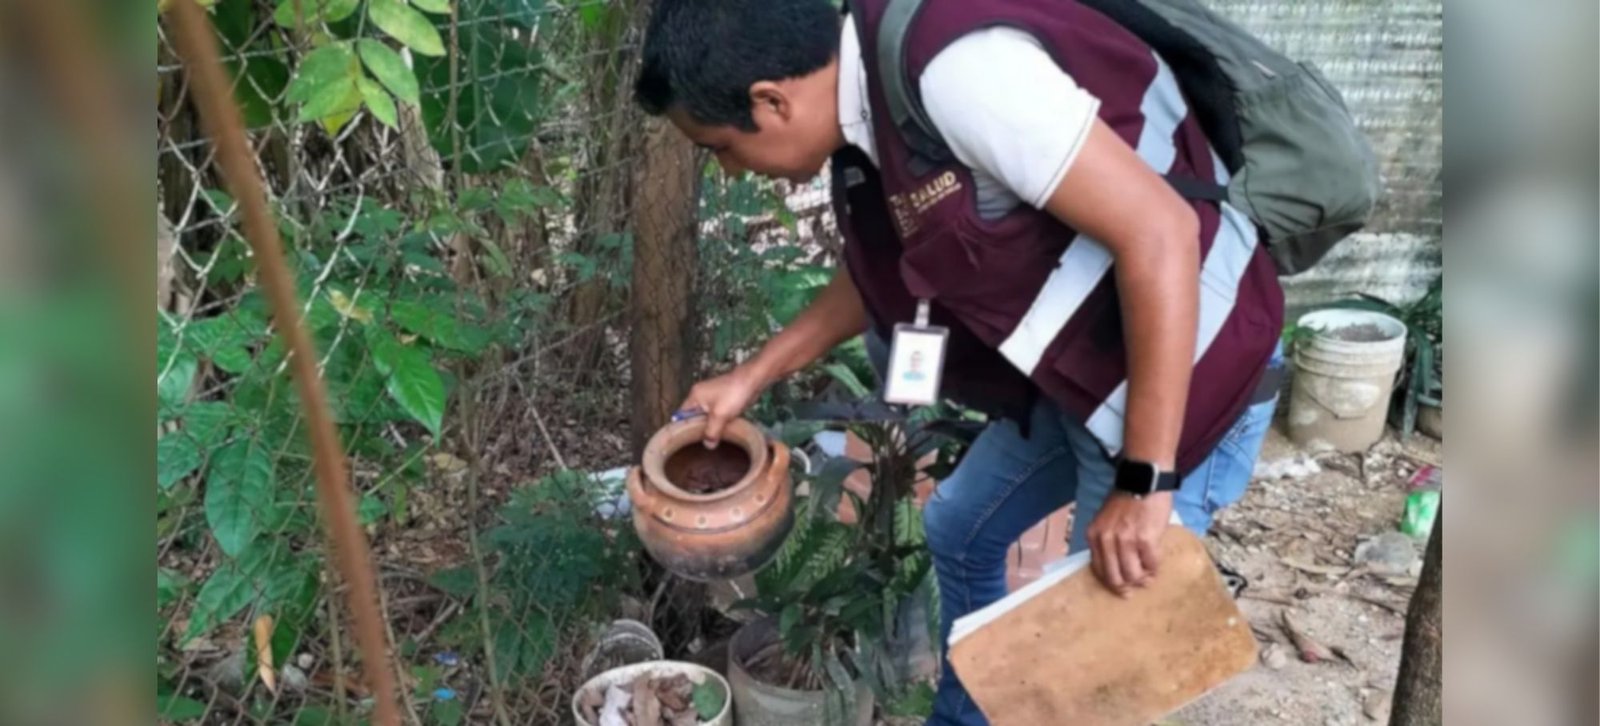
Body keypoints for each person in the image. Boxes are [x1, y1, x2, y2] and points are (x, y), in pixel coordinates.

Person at [635, 0, 1286, 722]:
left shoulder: (957, 75)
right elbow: (877, 274)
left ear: (771, 102)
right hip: (1083, 379)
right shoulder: (866, 118)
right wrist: (752, 375)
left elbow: (1161, 232)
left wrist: (1145, 480)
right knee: (960, 526)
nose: (730, 173)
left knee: (1099, 654)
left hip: (1180, 371)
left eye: (720, 148)